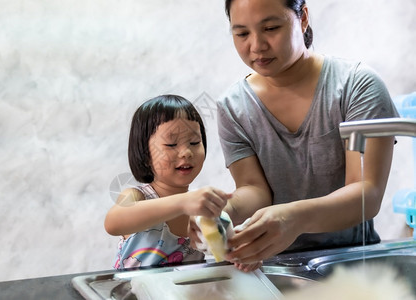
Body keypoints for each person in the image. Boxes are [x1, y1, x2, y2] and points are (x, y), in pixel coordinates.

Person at [204, 0, 400, 268]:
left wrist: (294, 218)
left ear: (303, 17)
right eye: (241, 34)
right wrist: (221, 213)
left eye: (271, 28)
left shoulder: (357, 86)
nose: (256, 46)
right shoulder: (233, 107)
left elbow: (366, 193)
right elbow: (254, 190)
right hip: (275, 266)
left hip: (354, 261)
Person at [104, 94, 231, 269]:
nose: (186, 152)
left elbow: (223, 252)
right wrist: (183, 202)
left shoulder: (198, 211)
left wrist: (240, 254)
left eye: (194, 142)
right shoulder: (137, 195)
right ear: (146, 155)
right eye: (171, 145)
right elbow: (113, 222)